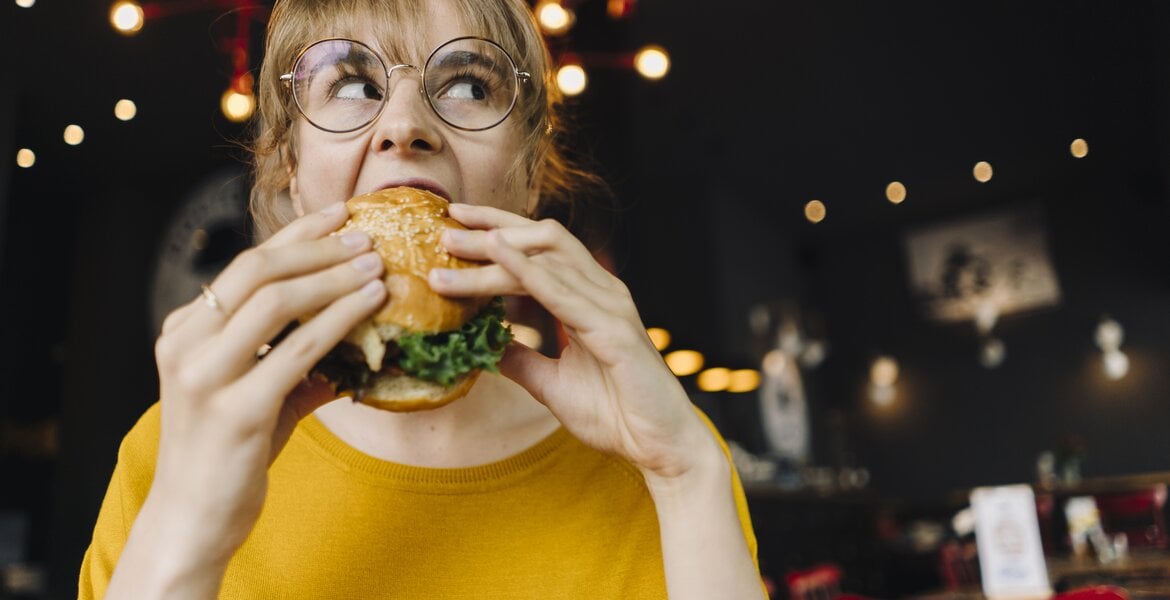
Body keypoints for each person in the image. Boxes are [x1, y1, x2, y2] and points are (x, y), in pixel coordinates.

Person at [80, 0, 766, 597]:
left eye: (468, 84)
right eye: (350, 83)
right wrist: (185, 531)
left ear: (528, 174)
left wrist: (684, 474)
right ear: (290, 168)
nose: (404, 125)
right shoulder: (172, 451)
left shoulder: (669, 459)